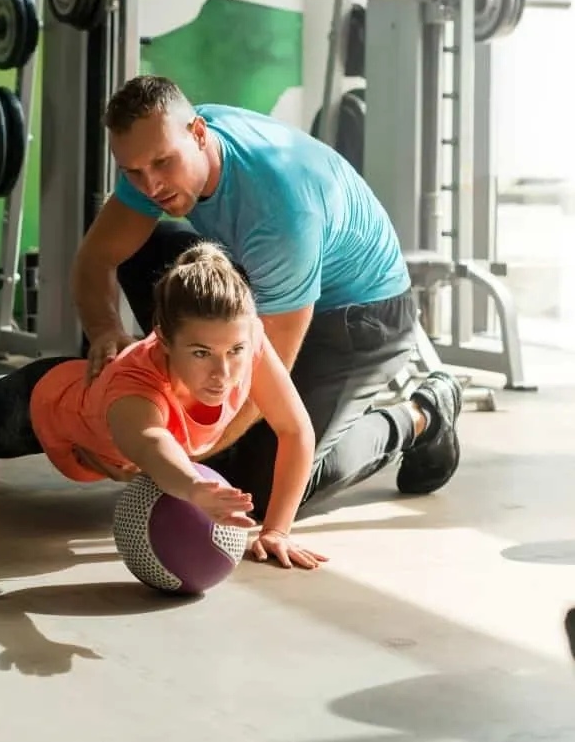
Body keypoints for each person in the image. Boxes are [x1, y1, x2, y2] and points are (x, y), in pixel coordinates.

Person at [72, 75, 463, 522]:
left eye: (162, 164)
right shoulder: (157, 151)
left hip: (360, 316)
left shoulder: (280, 217)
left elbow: (262, 383)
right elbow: (96, 258)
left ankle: (420, 417)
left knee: (260, 487)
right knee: (146, 250)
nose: (151, 186)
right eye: (134, 172)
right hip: (270, 289)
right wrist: (106, 330)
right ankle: (177, 395)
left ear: (199, 134)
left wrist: (172, 457)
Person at [0, 244, 328, 570]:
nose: (225, 372)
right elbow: (150, 444)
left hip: (78, 405)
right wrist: (192, 487)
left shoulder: (248, 340)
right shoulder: (134, 383)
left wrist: (278, 528)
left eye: (236, 351)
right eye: (201, 353)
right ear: (162, 339)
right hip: (35, 408)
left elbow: (295, 430)